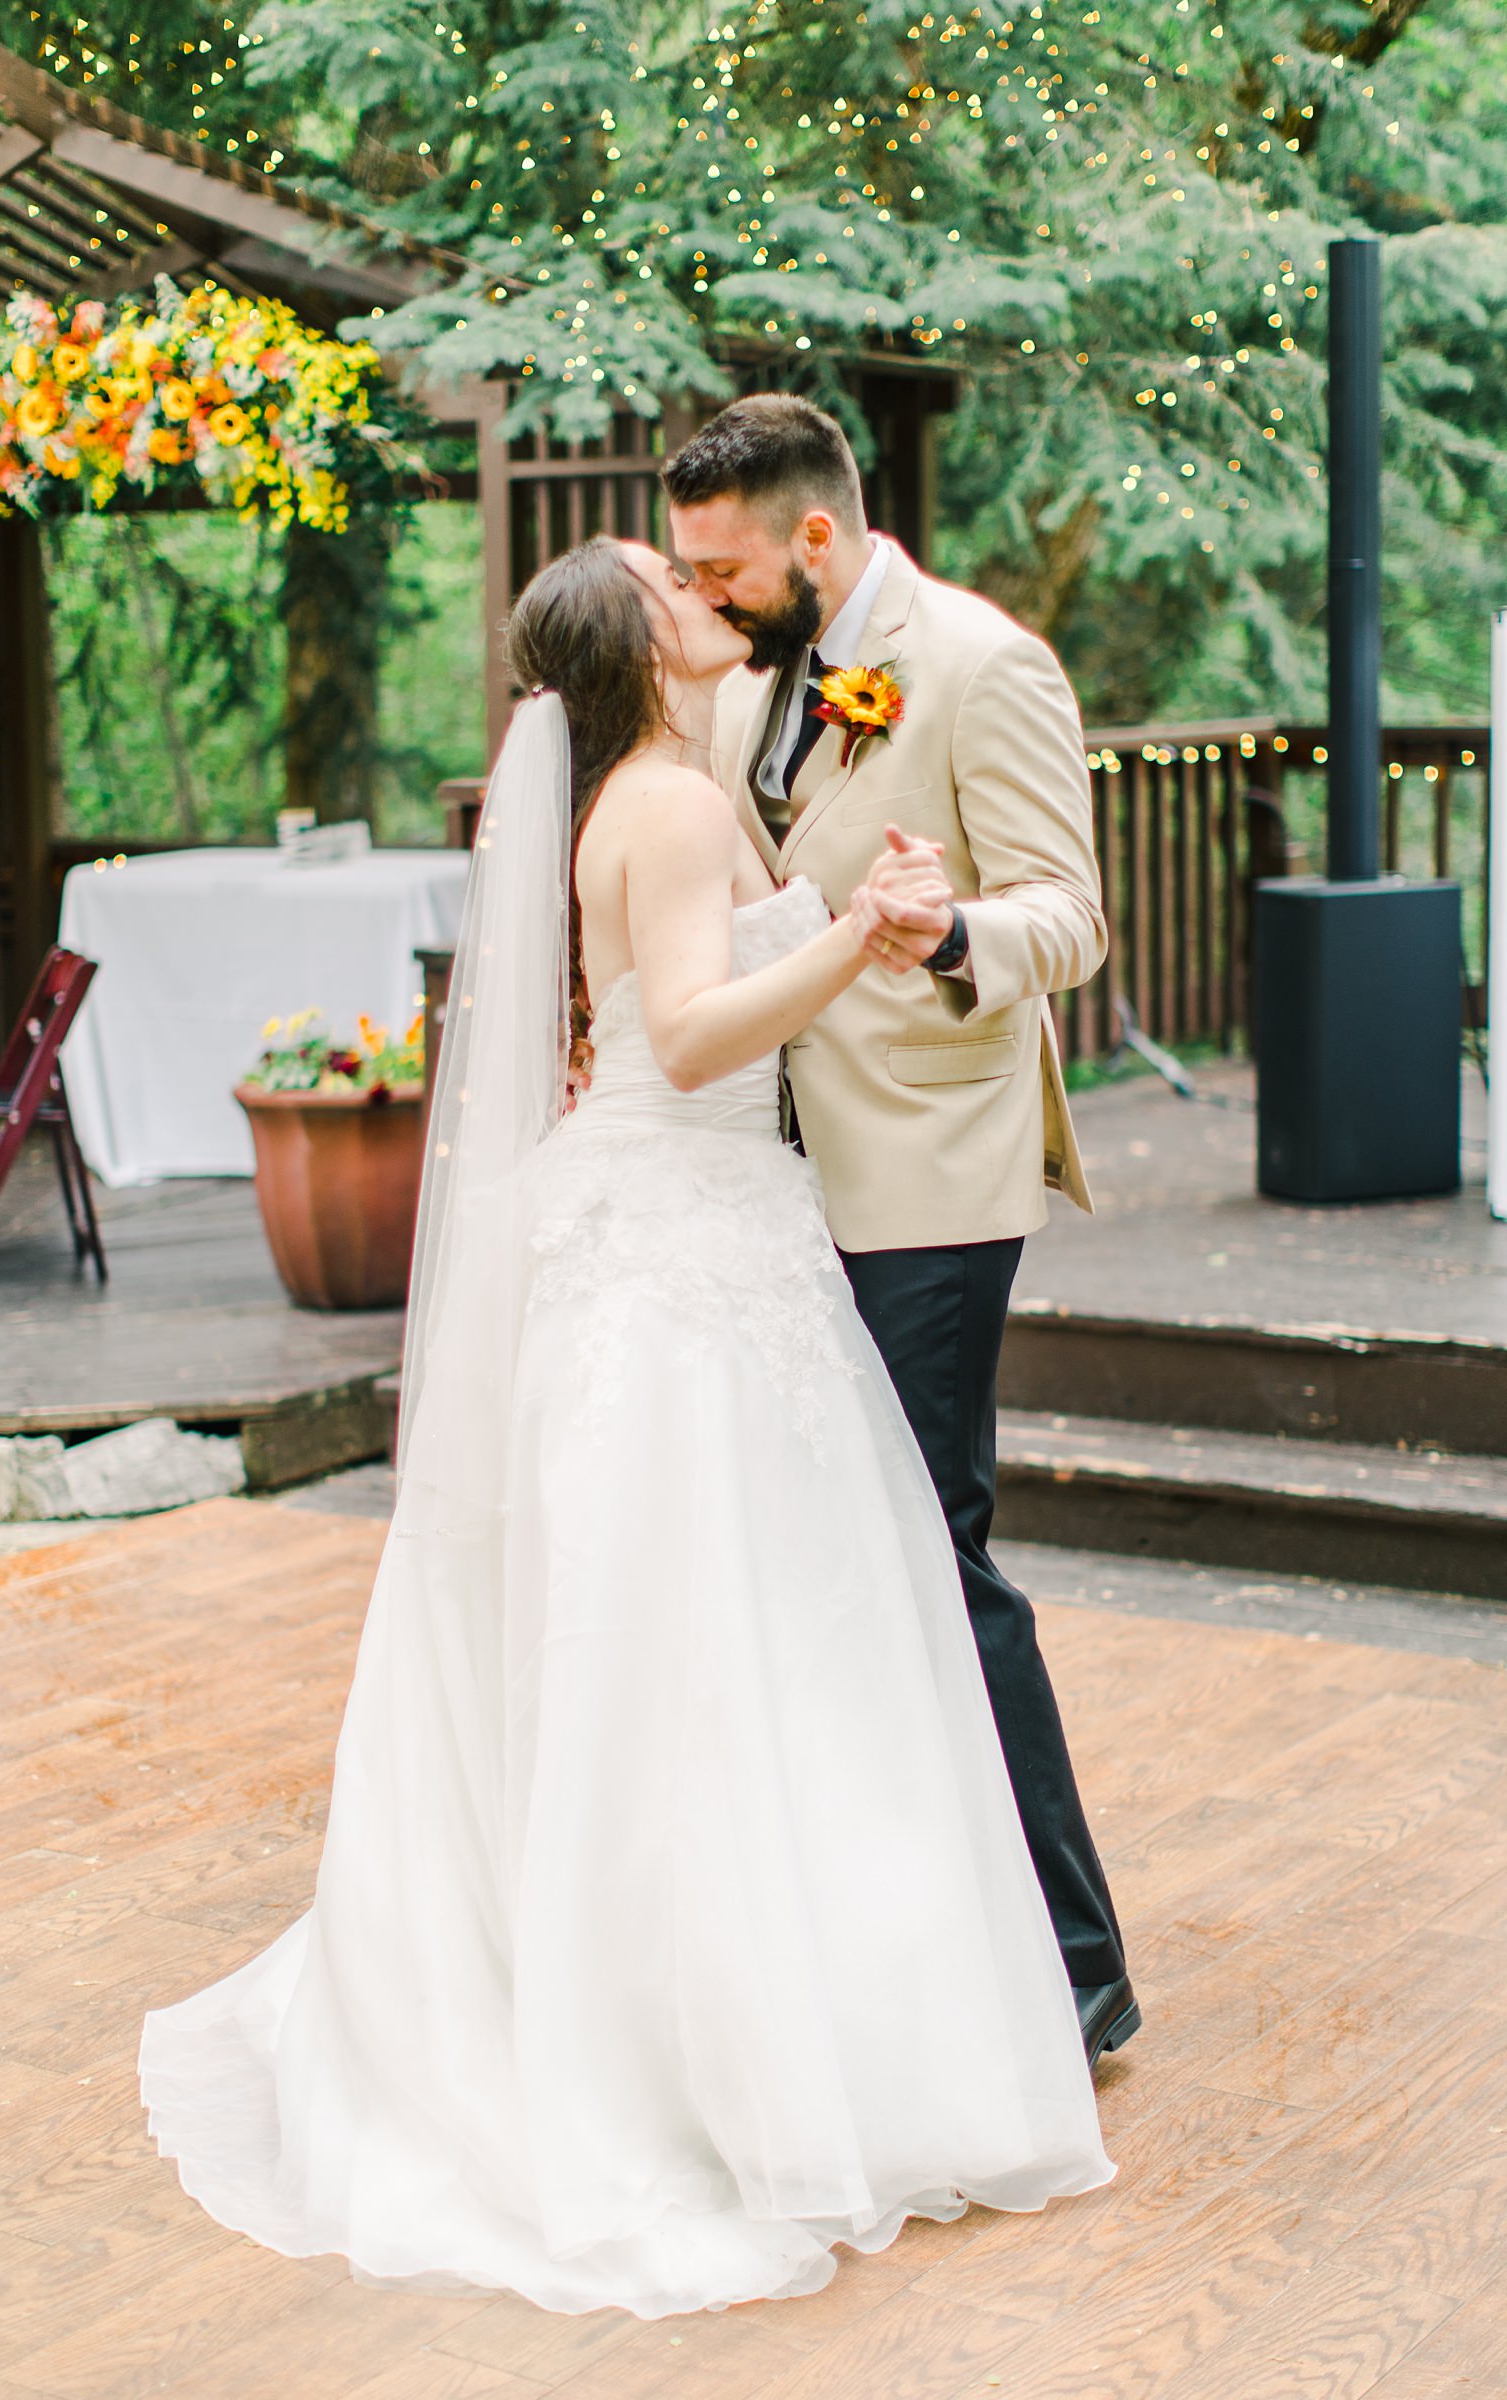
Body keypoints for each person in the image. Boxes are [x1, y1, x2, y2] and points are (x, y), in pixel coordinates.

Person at [138, 534, 1112, 2321]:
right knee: (699, 1650)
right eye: (676, 586)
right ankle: (691, 2060)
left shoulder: (689, 773)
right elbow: (691, 1024)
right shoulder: (662, 808)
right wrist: (851, 942)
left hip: (720, 1231)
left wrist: (871, 899)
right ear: (641, 646)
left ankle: (792, 2021)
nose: (703, 591)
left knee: (758, 1643)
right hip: (679, 1252)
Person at [665, 393, 1137, 2066]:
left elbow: (1071, 918)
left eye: (724, 567)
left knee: (931, 1549)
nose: (702, 597)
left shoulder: (982, 661)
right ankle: (905, 1931)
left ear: (815, 537)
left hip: (930, 1176)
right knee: (825, 1561)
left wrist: (947, 935)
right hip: (761, 1178)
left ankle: (1077, 1962)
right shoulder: (740, 677)